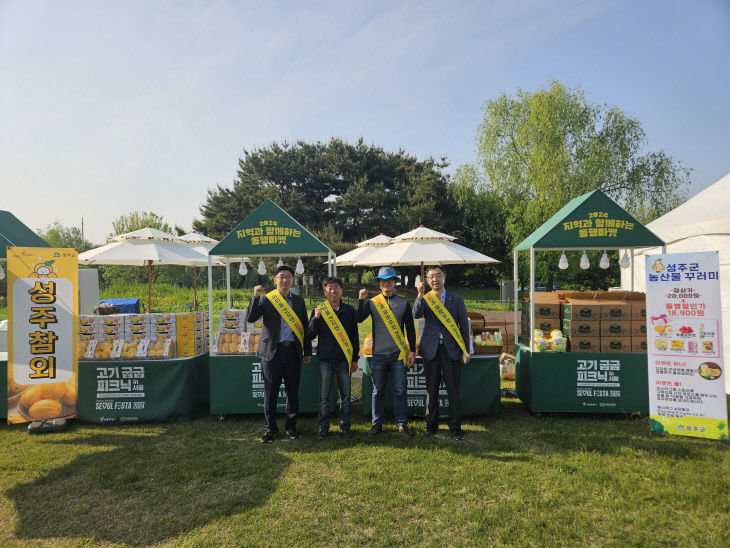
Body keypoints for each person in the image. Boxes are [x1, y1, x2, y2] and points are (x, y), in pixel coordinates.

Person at [247, 265, 312, 443]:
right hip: (271, 353)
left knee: (292, 392)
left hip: (293, 352)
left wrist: (307, 350)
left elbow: (304, 327)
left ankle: (291, 427)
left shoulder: (298, 301)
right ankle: (270, 429)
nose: (285, 280)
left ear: (292, 280)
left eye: (288, 277)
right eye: (282, 276)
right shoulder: (267, 299)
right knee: (271, 393)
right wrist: (255, 297)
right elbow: (251, 318)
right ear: (275, 280)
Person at [357, 266, 417, 438]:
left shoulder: (404, 303)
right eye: (383, 281)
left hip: (398, 355)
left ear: (394, 283)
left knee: (400, 390)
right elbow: (358, 318)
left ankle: (402, 424)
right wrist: (360, 300)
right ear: (379, 284)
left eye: (390, 280)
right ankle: (377, 423)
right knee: (377, 391)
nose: (386, 283)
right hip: (378, 355)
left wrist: (412, 350)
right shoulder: (373, 303)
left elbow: (411, 329)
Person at [413, 265, 470, 440]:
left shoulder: (455, 299)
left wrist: (465, 350)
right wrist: (420, 295)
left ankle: (455, 426)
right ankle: (431, 425)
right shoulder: (426, 298)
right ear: (427, 280)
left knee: (453, 390)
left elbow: (463, 326)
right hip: (431, 350)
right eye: (431, 276)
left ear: (444, 278)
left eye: (438, 275)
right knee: (432, 389)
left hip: (451, 350)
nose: (435, 279)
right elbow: (416, 314)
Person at [309, 276, 359, 440]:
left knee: (346, 397)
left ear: (341, 290)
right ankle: (323, 428)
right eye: (329, 288)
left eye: (336, 287)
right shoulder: (319, 309)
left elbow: (354, 336)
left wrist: (354, 359)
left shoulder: (349, 310)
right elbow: (310, 334)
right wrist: (315, 319)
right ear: (324, 291)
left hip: (344, 360)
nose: (333, 291)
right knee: (323, 398)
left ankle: (345, 427)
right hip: (325, 361)